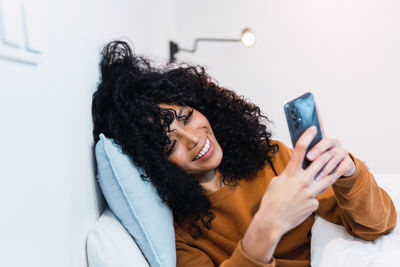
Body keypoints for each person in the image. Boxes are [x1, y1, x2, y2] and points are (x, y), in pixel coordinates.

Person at [91, 40, 397, 267]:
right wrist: (267, 224)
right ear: (155, 163)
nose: (194, 139)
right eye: (168, 144)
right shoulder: (182, 234)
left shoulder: (271, 158)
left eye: (186, 117)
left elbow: (378, 225)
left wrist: (350, 174)